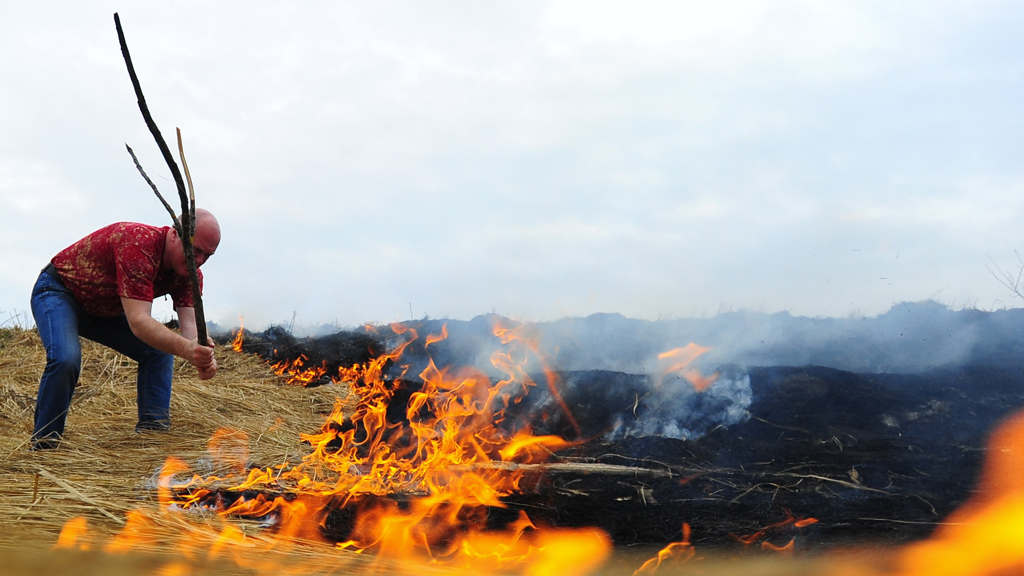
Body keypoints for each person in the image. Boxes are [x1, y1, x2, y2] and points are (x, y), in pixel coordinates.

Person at [30, 209, 221, 449]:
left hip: (103, 310)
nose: (200, 261)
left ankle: (152, 440)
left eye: (207, 255)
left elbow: (190, 326)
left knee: (158, 352)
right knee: (66, 358)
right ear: (174, 235)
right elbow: (139, 322)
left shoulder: (189, 274)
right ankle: (44, 447)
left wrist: (203, 357)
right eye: (195, 250)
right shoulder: (138, 244)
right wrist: (187, 349)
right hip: (60, 292)